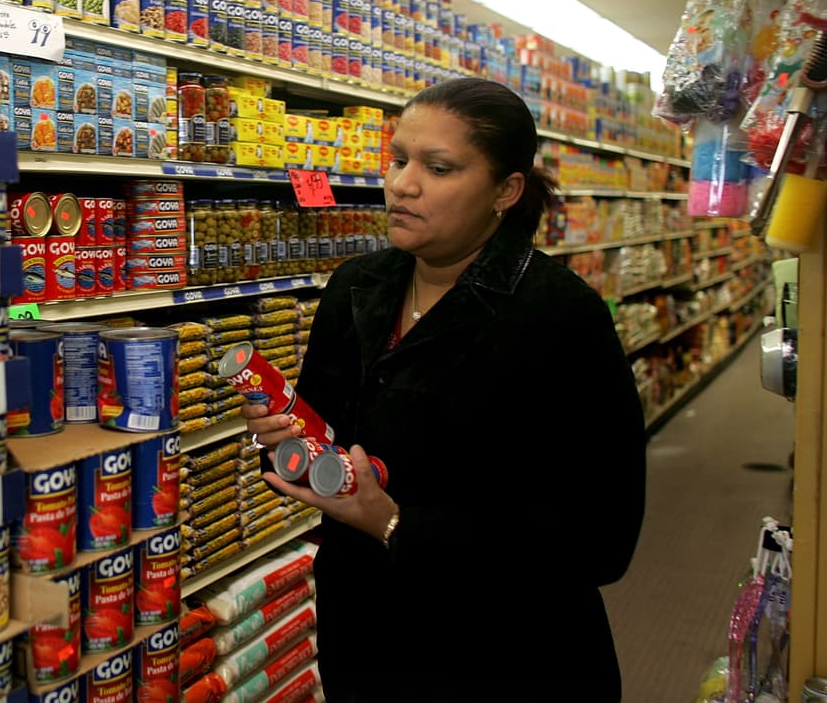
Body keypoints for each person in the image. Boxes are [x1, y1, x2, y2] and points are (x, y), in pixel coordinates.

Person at [244, 78, 647, 702]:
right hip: (368, 641)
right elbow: (328, 445)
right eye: (399, 159)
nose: (403, 184)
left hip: (505, 655)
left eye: (438, 168)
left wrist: (397, 523)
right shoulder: (358, 287)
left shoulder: (558, 317)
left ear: (506, 191)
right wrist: (288, 442)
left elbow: (600, 540)